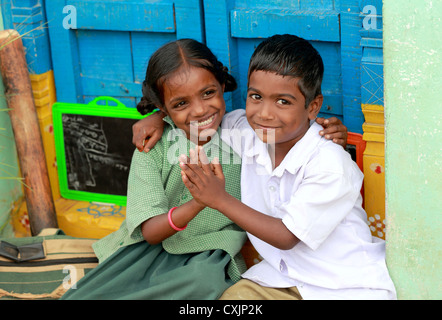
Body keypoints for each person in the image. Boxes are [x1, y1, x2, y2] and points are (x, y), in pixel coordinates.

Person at [179, 34, 397, 300]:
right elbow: (204, 118)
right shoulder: (245, 131)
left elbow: (286, 236)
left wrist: (219, 199)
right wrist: (156, 117)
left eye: (283, 101)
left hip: (345, 286)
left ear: (313, 106)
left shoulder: (329, 163)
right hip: (280, 280)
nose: (265, 113)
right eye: (256, 96)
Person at [61, 39, 247, 300]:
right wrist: (199, 202)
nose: (200, 109)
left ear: (222, 85)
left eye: (208, 93)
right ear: (163, 106)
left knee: (203, 282)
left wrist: (321, 128)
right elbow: (150, 233)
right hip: (148, 251)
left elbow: (287, 127)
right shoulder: (152, 147)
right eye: (181, 103)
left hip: (209, 250)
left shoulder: (244, 134)